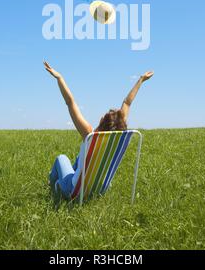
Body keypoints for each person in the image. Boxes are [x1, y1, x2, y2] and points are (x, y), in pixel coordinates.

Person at [44, 60, 154, 198]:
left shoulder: (91, 135)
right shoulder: (119, 136)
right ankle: (64, 181)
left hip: (74, 191)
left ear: (103, 121)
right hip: (101, 189)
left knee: (61, 158)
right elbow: (127, 103)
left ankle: (53, 186)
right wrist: (141, 80)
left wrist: (59, 78)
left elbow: (70, 102)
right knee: (80, 159)